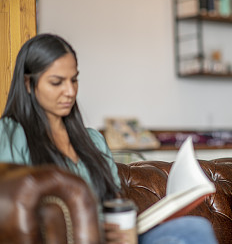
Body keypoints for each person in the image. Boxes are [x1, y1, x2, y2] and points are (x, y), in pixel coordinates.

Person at [0, 33, 218, 244]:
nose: (70, 91)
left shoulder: (92, 140)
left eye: (74, 80)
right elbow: (10, 207)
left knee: (194, 228)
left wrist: (125, 228)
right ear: (28, 84)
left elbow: (113, 202)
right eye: (57, 82)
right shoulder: (9, 134)